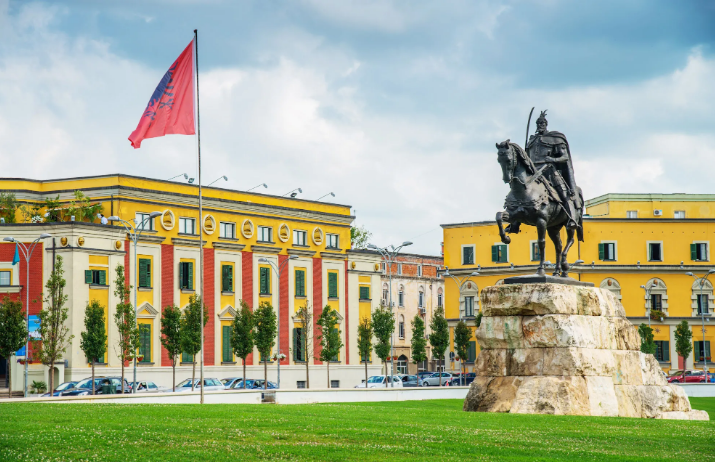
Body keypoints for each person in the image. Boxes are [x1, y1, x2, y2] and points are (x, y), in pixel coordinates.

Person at [526, 110, 580, 229]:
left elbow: (564, 157)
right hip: (533, 173)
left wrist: (552, 159)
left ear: (546, 124)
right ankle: (514, 223)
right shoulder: (532, 141)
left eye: (542, 123)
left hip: (549, 171)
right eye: (538, 123)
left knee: (564, 193)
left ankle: (572, 219)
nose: (540, 125)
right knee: (520, 189)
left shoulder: (554, 138)